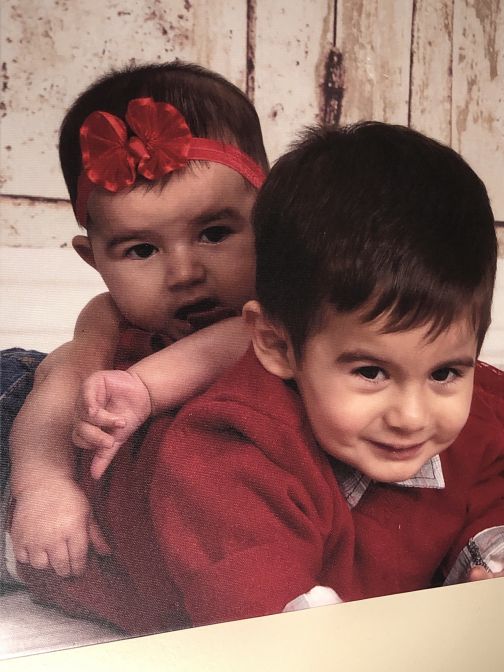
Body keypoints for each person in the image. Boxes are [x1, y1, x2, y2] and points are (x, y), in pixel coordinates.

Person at [18, 121, 504, 634]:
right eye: (370, 372)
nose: (412, 416)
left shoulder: (479, 414)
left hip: (158, 377)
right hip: (45, 457)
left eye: (445, 372)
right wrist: (41, 484)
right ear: (276, 347)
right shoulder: (230, 459)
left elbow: (490, 487)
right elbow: (273, 633)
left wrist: (492, 558)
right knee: (66, 375)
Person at [4, 61, 267, 580]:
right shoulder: (110, 317)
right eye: (142, 250)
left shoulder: (290, 311)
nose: (185, 273)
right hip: (23, 421)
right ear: (94, 260)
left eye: (215, 233)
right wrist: (43, 485)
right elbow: (57, 394)